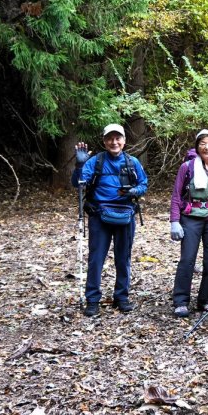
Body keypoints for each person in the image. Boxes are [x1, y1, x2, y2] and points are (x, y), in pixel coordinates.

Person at [73, 124, 149, 316]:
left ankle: (121, 298)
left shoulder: (132, 162)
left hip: (125, 215)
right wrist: (79, 165)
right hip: (99, 215)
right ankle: (92, 300)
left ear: (124, 141)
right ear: (104, 141)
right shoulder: (96, 161)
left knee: (123, 258)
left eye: (118, 138)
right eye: (110, 139)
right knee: (96, 259)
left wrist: (132, 191)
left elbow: (144, 184)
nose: (114, 142)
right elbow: (78, 184)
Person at [168, 129, 208, 317]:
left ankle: (206, 299)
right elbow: (176, 196)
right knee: (187, 259)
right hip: (191, 217)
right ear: (197, 147)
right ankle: (181, 300)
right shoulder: (187, 167)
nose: (207, 147)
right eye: (203, 143)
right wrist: (175, 221)